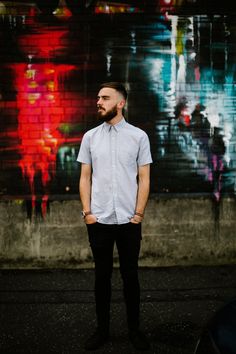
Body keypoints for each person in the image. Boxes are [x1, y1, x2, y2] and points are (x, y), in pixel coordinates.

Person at [77, 82, 152, 351]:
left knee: (131, 277)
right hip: (99, 221)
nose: (99, 102)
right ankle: (102, 331)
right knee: (102, 277)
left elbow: (144, 179)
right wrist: (87, 213)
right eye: (98, 97)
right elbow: (85, 178)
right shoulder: (90, 137)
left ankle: (135, 330)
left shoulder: (138, 137)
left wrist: (139, 213)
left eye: (105, 98)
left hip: (129, 221)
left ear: (121, 103)